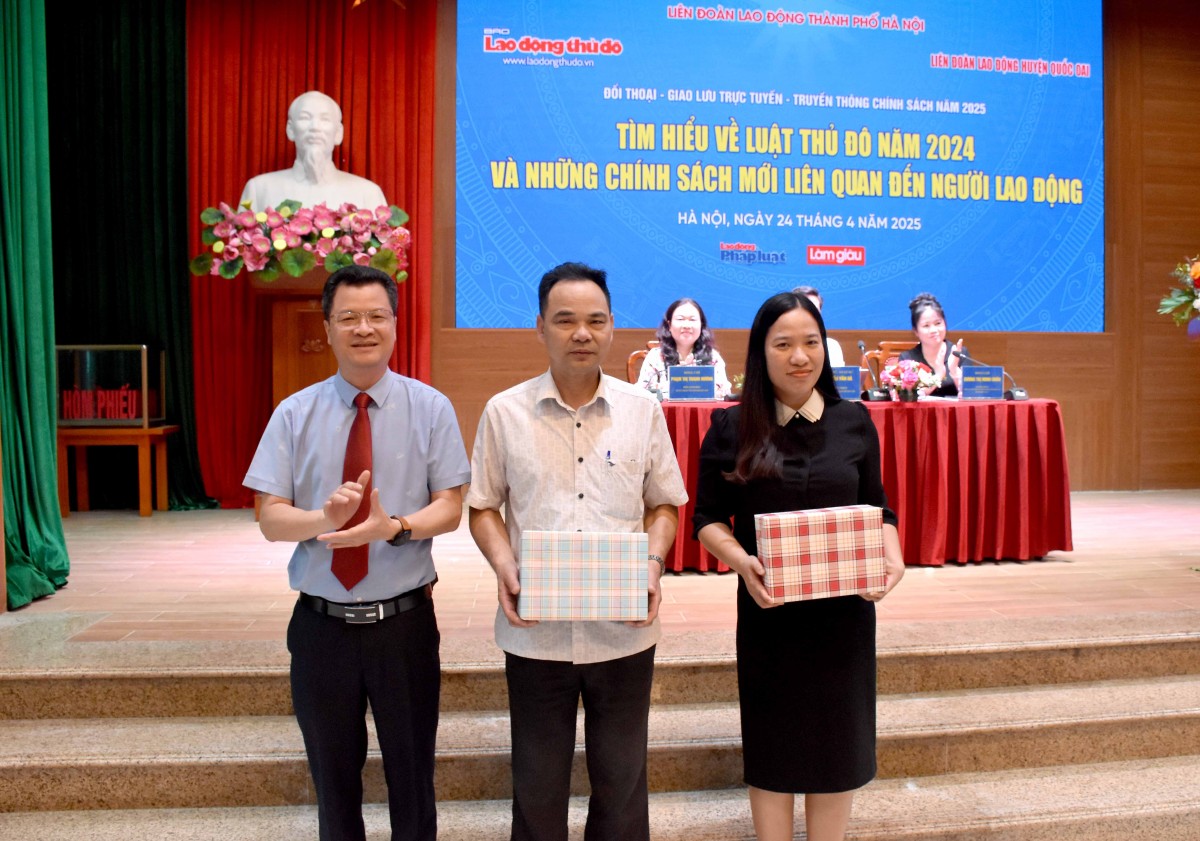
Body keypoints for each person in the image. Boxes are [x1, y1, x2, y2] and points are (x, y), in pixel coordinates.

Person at [243, 265, 471, 841]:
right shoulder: (294, 413)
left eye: (375, 316)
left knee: (413, 783)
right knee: (334, 788)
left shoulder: (431, 408)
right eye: (348, 317)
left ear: (395, 324)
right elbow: (270, 518)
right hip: (321, 630)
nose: (363, 328)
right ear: (327, 328)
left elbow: (450, 507)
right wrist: (325, 520)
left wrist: (393, 528)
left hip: (404, 627)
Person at [466, 261, 688, 841]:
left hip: (623, 629)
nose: (581, 333)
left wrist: (653, 564)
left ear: (612, 326)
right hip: (536, 630)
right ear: (540, 326)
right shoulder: (504, 412)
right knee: (537, 786)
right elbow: (482, 506)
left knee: (622, 784)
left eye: (595, 320)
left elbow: (665, 503)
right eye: (565, 320)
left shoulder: (642, 410)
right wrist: (504, 564)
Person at [692, 291, 905, 841]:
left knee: (838, 745)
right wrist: (742, 563)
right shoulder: (731, 427)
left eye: (811, 342)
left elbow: (879, 507)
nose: (800, 356)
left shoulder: (854, 421)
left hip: (843, 617)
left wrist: (892, 553)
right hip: (770, 612)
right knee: (773, 744)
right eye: (783, 344)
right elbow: (708, 519)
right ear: (760, 353)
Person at [240, 90, 389, 212]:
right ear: (290, 129)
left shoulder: (367, 194)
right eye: (305, 118)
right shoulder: (259, 189)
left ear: (338, 133)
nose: (315, 127)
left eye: (325, 119)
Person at [636, 297, 732, 398]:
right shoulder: (655, 357)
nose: (687, 325)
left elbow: (725, 394)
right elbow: (641, 394)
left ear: (701, 325)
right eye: (680, 319)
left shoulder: (712, 356)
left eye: (692, 320)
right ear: (669, 325)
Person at [899, 292, 964, 397]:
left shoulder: (959, 354)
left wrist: (954, 371)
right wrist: (938, 375)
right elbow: (909, 396)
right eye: (926, 326)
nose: (934, 330)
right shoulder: (908, 359)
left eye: (938, 323)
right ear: (916, 331)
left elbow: (971, 395)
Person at [792, 285, 846, 367]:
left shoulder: (831, 347)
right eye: (807, 309)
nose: (811, 314)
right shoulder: (781, 345)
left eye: (815, 310)